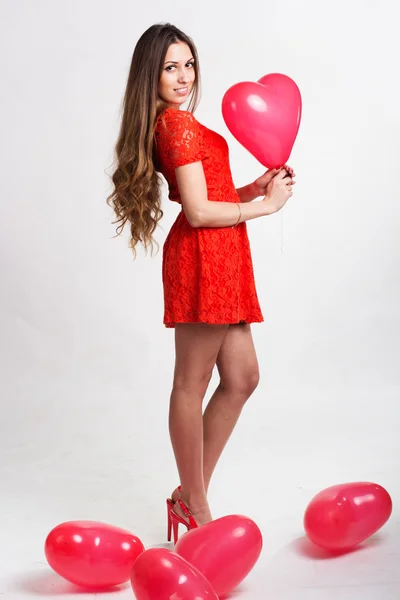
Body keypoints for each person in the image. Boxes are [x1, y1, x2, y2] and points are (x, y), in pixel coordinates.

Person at [107, 23, 295, 544]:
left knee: (242, 378)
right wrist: (266, 205)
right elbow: (196, 210)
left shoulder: (183, 124)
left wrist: (249, 187)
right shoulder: (177, 127)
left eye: (188, 63)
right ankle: (197, 506)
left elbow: (207, 195)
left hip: (223, 251)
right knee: (191, 383)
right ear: (152, 75)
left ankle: (189, 495)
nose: (183, 75)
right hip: (202, 254)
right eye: (170, 66)